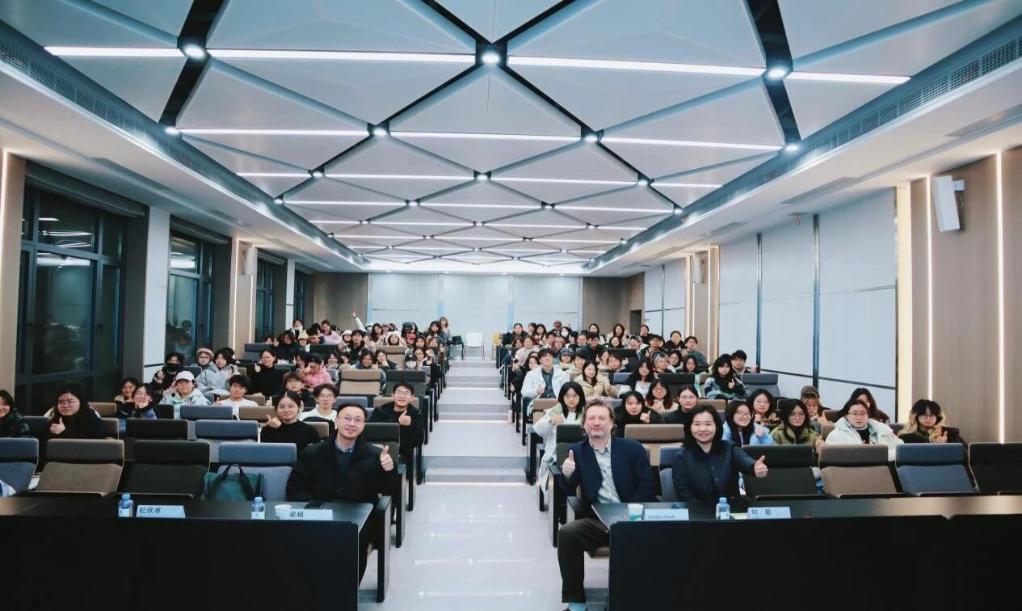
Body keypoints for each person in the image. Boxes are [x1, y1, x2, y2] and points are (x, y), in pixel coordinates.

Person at [557, 400, 656, 609]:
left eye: (602, 418)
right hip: (599, 520)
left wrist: (629, 514)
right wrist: (567, 475)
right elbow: (568, 492)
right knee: (567, 533)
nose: (596, 423)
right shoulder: (577, 451)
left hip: (634, 516)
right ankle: (576, 601)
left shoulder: (632, 448)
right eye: (591, 418)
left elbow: (647, 486)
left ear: (611, 423)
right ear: (584, 424)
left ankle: (627, 597)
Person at [286, 402, 398, 581]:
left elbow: (387, 490)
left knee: (355, 545)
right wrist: (312, 510)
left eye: (358, 420)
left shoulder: (374, 455)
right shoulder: (312, 452)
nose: (352, 424)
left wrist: (389, 470)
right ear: (336, 421)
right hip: (319, 512)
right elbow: (295, 487)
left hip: (357, 516)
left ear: (363, 426)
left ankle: (348, 589)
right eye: (347, 418)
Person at [671, 404, 768, 503]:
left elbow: (744, 460)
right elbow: (684, 494)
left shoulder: (729, 448)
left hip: (732, 508)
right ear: (689, 428)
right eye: (697, 424)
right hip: (697, 510)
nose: (702, 429)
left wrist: (754, 467)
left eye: (708, 424)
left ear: (717, 426)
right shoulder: (681, 457)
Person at [533, 382, 585, 486]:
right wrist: (551, 422)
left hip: (582, 457)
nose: (571, 399)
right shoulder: (555, 411)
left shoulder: (587, 414)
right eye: (567, 396)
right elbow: (538, 429)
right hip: (556, 457)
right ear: (562, 397)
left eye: (575, 396)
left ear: (581, 397)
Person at [369, 382, 425, 474]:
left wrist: (395, 448)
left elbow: (419, 439)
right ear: (392, 395)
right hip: (377, 451)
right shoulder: (380, 410)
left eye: (406, 393)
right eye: (399, 392)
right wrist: (397, 422)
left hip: (401, 453)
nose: (402, 396)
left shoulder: (416, 414)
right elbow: (370, 430)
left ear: (412, 398)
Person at [825, 398, 902, 460]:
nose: (859, 417)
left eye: (863, 413)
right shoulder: (836, 435)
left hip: (882, 468)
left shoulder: (882, 430)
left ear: (868, 415)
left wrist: (879, 456)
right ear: (846, 415)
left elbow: (900, 448)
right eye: (854, 414)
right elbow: (829, 457)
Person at [899, 399, 964, 444]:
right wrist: (936, 445)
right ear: (915, 416)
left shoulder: (949, 433)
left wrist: (946, 445)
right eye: (924, 415)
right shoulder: (906, 436)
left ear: (938, 417)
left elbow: (964, 454)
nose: (928, 418)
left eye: (932, 415)